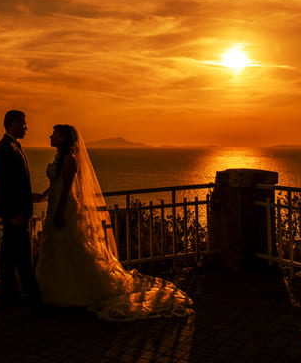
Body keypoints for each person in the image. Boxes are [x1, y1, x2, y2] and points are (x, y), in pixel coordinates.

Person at [35, 124, 193, 321]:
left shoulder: (69, 159)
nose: (51, 136)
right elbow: (56, 183)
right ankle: (59, 288)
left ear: (63, 138)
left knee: (70, 245)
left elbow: (68, 188)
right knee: (59, 247)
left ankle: (76, 291)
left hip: (64, 207)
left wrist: (59, 212)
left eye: (55, 134)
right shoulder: (59, 158)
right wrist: (42, 197)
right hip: (54, 205)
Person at [0, 110, 42, 307]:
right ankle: (29, 296)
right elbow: (7, 183)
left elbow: (17, 182)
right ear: (13, 123)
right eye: (23, 123)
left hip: (17, 211)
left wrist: (28, 197)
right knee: (18, 256)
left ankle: (14, 294)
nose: (26, 127)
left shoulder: (12, 146)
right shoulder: (6, 148)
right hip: (15, 214)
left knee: (14, 255)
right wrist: (14, 213)